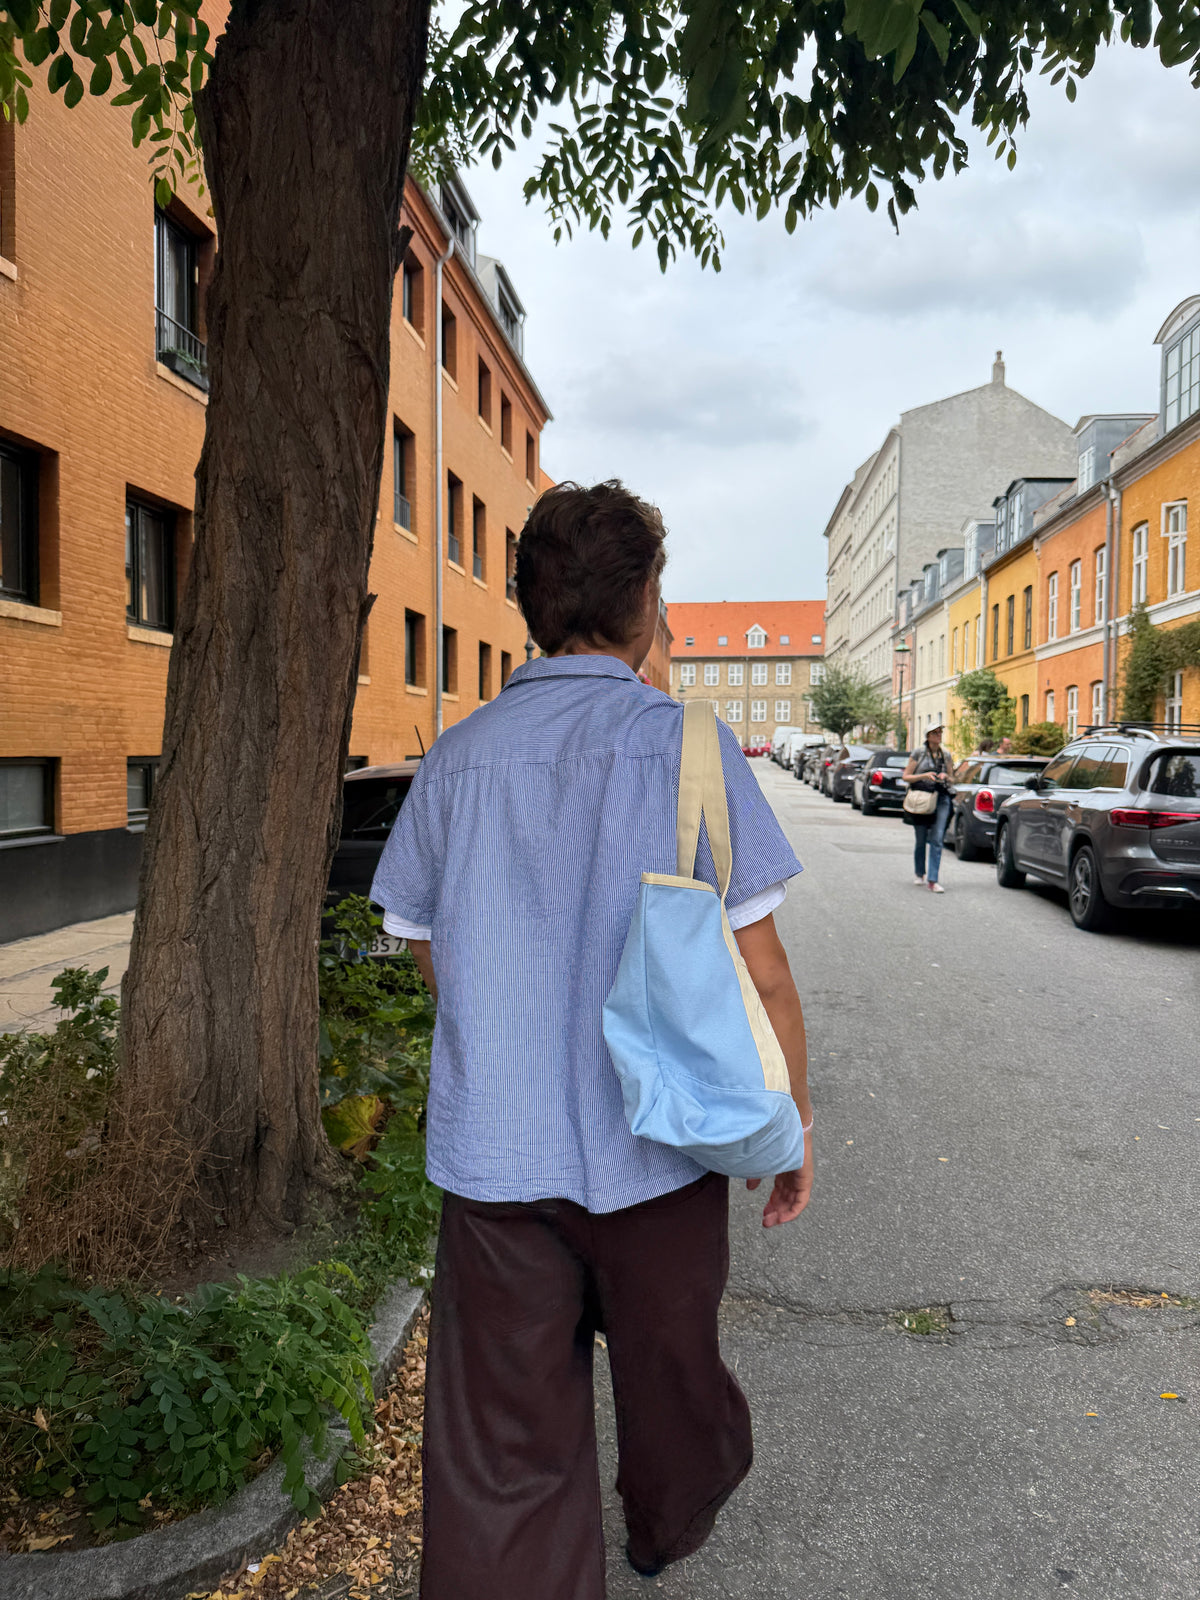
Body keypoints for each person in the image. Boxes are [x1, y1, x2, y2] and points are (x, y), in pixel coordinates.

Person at [370, 481, 814, 1600]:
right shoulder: (696, 752)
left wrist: (514, 1020)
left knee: (503, 1446)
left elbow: (426, 948)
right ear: (646, 605)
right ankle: (667, 1520)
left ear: (526, 603)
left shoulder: (457, 761)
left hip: (494, 1163)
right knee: (676, 1386)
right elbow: (762, 970)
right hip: (661, 1150)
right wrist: (789, 1124)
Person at [903, 724, 956, 893]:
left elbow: (953, 779)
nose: (939, 735)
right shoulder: (918, 753)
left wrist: (946, 776)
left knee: (937, 839)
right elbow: (906, 776)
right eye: (935, 733)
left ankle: (933, 880)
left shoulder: (945, 755)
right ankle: (920, 872)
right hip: (921, 799)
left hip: (941, 799)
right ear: (928, 736)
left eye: (940, 732)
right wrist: (924, 775)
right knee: (921, 839)